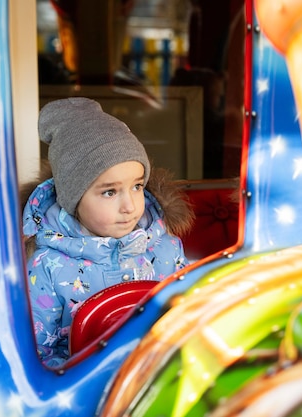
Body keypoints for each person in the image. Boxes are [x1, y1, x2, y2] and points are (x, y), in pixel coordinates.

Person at [21, 97, 194, 367]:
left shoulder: (166, 248)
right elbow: (38, 356)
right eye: (110, 192)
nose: (129, 206)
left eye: (137, 186)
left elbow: (190, 313)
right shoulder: (48, 268)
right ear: (73, 199)